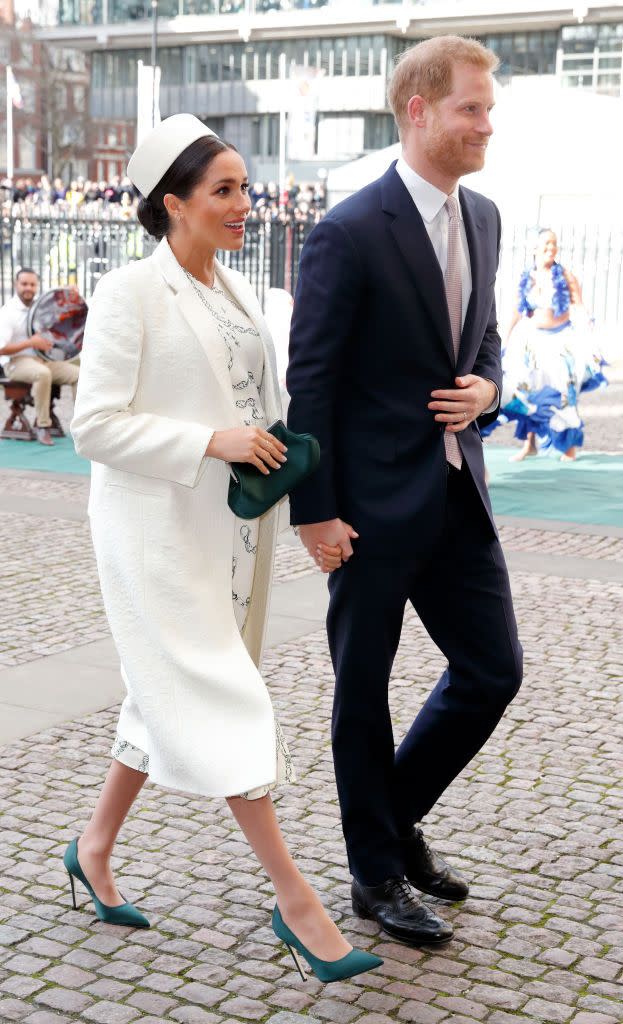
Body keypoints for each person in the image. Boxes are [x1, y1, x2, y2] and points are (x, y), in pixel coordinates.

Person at [69, 114, 381, 985]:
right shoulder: (133, 291)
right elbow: (89, 425)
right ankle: (297, 904)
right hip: (153, 534)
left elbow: (262, 404)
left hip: (236, 533)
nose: (246, 203)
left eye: (246, 187)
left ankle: (91, 849)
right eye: (225, 190)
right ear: (173, 204)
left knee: (160, 694)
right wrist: (214, 442)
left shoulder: (237, 291)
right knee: (225, 696)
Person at [287, 36, 523, 947]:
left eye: (487, 109)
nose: (485, 125)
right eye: (472, 107)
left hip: (459, 496)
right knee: (363, 691)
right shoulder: (347, 230)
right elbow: (309, 380)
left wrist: (488, 390)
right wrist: (314, 510)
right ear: (418, 109)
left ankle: (385, 825)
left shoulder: (488, 218)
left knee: (492, 671)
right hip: (367, 512)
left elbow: (485, 340)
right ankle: (375, 874)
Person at [496, 229, 606, 461]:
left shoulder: (565, 275)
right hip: (531, 342)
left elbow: (579, 305)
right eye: (546, 244)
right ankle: (530, 445)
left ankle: (569, 448)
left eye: (554, 244)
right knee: (529, 390)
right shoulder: (528, 276)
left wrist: (588, 330)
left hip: (560, 342)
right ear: (535, 248)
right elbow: (518, 310)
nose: (551, 248)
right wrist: (505, 337)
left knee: (563, 391)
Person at [0, 268, 79, 446]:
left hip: (42, 360)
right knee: (42, 373)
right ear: (16, 285)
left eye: (32, 284)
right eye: (24, 284)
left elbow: (60, 306)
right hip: (15, 362)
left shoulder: (39, 307)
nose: (28, 288)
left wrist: (69, 292)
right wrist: (30, 343)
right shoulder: (8, 312)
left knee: (78, 374)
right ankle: (42, 426)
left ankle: (81, 425)